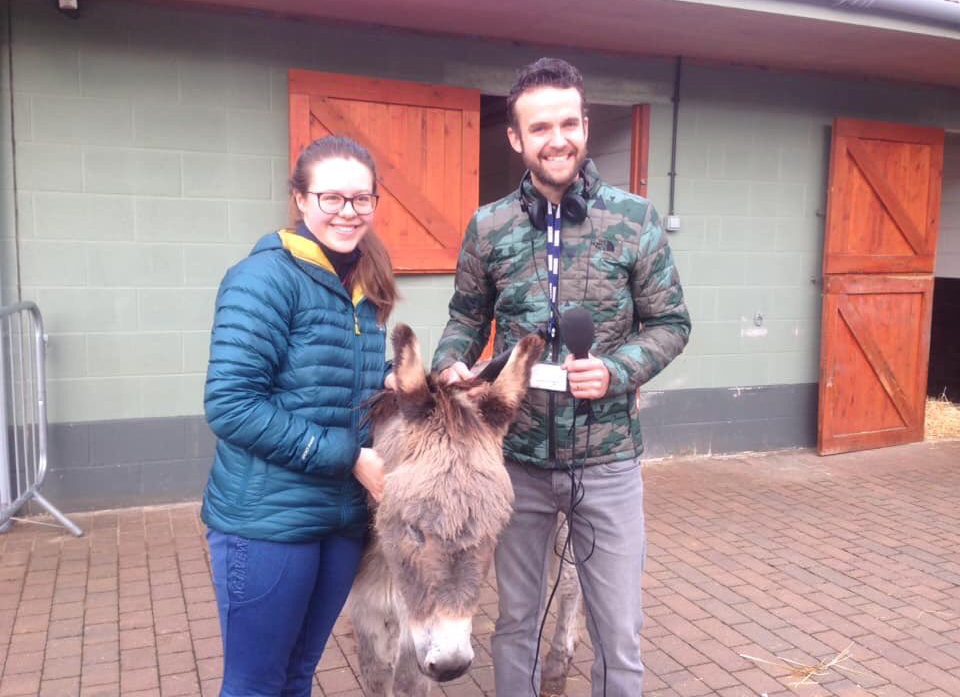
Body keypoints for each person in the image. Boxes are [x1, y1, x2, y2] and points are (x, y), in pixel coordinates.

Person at [432, 58, 691, 696]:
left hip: (607, 461)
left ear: (584, 124)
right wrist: (449, 364)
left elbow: (670, 323)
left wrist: (615, 370)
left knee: (618, 632)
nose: (558, 139)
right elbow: (465, 320)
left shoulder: (635, 220)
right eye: (540, 127)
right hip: (514, 461)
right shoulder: (488, 227)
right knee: (515, 621)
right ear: (516, 139)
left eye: (569, 122)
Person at [201, 135, 397, 697]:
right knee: (256, 683)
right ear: (301, 199)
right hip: (267, 523)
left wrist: (388, 378)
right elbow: (232, 404)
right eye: (331, 197)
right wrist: (350, 457)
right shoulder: (264, 278)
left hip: (336, 522)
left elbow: (328, 369)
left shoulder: (359, 282)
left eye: (361, 199)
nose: (347, 212)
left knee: (296, 675)